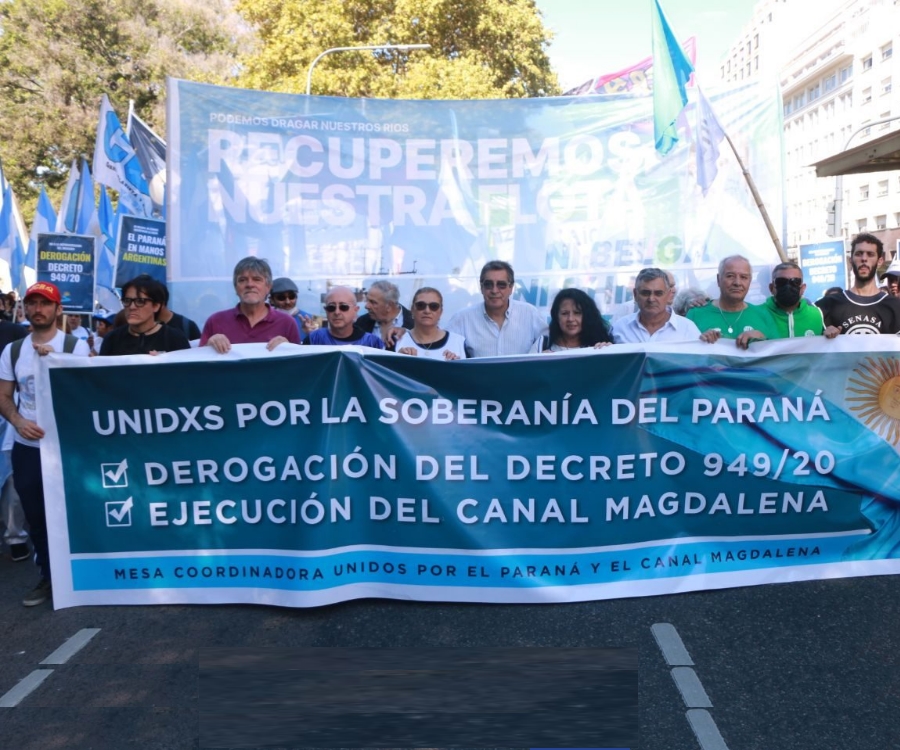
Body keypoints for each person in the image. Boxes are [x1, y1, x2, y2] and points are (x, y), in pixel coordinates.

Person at [0, 282, 90, 606]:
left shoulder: (75, 346)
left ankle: (82, 577)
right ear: (24, 308)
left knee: (73, 513)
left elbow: (88, 393)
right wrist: (18, 421)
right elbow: (4, 396)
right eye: (32, 303)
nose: (38, 309)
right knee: (36, 515)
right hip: (28, 449)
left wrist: (60, 362)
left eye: (45, 303)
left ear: (57, 309)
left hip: (68, 447)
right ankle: (49, 578)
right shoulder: (12, 351)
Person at [200, 257, 302, 352]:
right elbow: (199, 365)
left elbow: (300, 365)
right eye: (242, 280)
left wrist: (289, 348)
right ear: (236, 288)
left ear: (268, 287)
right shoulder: (216, 321)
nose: (250, 285)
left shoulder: (287, 323)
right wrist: (208, 347)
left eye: (257, 279)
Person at [447, 260, 547, 357]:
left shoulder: (530, 314)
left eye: (501, 285)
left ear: (511, 287)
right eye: (488, 284)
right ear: (481, 287)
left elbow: (552, 343)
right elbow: (444, 348)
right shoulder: (463, 318)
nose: (494, 290)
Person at [817, 233, 900, 336]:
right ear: (850, 260)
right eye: (859, 253)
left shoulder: (896, 307)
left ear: (880, 261)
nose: (864, 259)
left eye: (870, 254)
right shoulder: (827, 306)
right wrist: (820, 334)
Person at [687, 255, 778, 349]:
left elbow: (778, 356)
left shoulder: (763, 316)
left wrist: (762, 338)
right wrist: (700, 342)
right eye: (730, 276)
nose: (737, 283)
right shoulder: (695, 314)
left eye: (743, 277)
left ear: (750, 281)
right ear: (718, 279)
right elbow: (685, 355)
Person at [100, 277, 192, 356]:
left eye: (140, 301)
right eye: (127, 300)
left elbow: (186, 373)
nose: (132, 307)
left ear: (156, 306)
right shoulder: (112, 339)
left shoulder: (175, 338)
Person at [611, 268, 702, 343]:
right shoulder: (619, 328)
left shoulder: (687, 329)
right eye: (645, 293)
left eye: (658, 293)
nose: (651, 299)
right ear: (635, 294)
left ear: (669, 295)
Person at [533, 288, 612, 352]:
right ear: (556, 316)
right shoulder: (542, 345)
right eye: (564, 313)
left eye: (577, 313)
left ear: (588, 316)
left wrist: (607, 351)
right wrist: (539, 362)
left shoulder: (600, 346)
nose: (570, 319)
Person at [396, 288, 466, 360]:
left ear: (441, 312)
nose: (427, 311)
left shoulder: (459, 342)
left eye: (434, 306)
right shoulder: (397, 340)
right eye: (421, 305)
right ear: (412, 310)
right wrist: (398, 360)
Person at [304, 286, 385, 349]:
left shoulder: (372, 343)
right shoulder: (314, 340)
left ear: (355, 310)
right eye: (331, 307)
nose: (337, 312)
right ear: (326, 310)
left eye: (343, 307)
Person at [761, 262, 824, 338]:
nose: (788, 286)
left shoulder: (817, 315)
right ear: (771, 288)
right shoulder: (757, 315)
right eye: (781, 282)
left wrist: (831, 335)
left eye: (795, 282)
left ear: (803, 288)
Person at [357, 280, 413, 350]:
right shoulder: (361, 322)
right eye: (367, 300)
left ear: (389, 305)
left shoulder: (414, 324)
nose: (367, 306)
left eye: (373, 302)